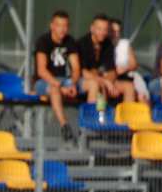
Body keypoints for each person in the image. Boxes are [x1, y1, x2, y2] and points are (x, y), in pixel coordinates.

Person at [34, 10, 80, 141]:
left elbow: (76, 68)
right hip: (45, 82)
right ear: (52, 26)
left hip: (65, 81)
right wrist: (59, 86)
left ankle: (91, 124)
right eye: (59, 25)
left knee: (92, 84)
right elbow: (41, 71)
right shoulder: (43, 41)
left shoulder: (70, 41)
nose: (62, 29)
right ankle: (64, 125)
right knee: (54, 90)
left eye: (65, 26)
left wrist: (73, 84)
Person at [75, 14, 134, 104]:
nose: (102, 32)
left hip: (103, 79)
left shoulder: (108, 44)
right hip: (83, 81)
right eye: (99, 29)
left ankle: (127, 116)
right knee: (96, 85)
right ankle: (95, 116)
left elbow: (112, 71)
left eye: (105, 29)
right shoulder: (81, 44)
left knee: (129, 87)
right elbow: (81, 72)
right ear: (92, 28)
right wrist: (104, 81)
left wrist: (108, 81)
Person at [110, 18, 149, 103]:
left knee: (138, 82)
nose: (116, 34)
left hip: (127, 74)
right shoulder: (105, 45)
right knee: (129, 87)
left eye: (118, 31)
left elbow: (134, 64)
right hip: (112, 76)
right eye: (113, 31)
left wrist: (124, 69)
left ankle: (145, 106)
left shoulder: (124, 44)